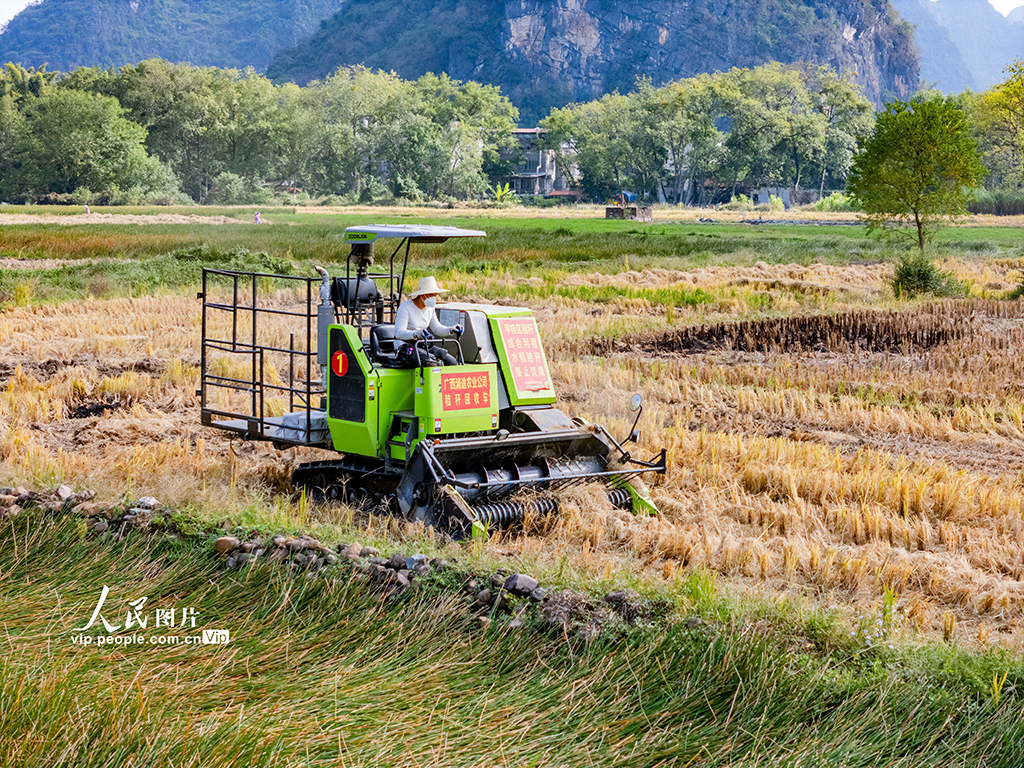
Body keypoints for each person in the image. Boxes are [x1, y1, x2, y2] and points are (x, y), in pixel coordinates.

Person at [394, 276, 463, 366]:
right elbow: (398, 333)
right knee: (430, 362)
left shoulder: (430, 308)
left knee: (451, 362)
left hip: (423, 345)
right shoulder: (406, 307)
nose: (434, 298)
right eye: (431, 295)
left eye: (435, 295)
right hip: (405, 347)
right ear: (422, 295)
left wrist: (451, 329)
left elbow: (437, 328)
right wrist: (415, 334)